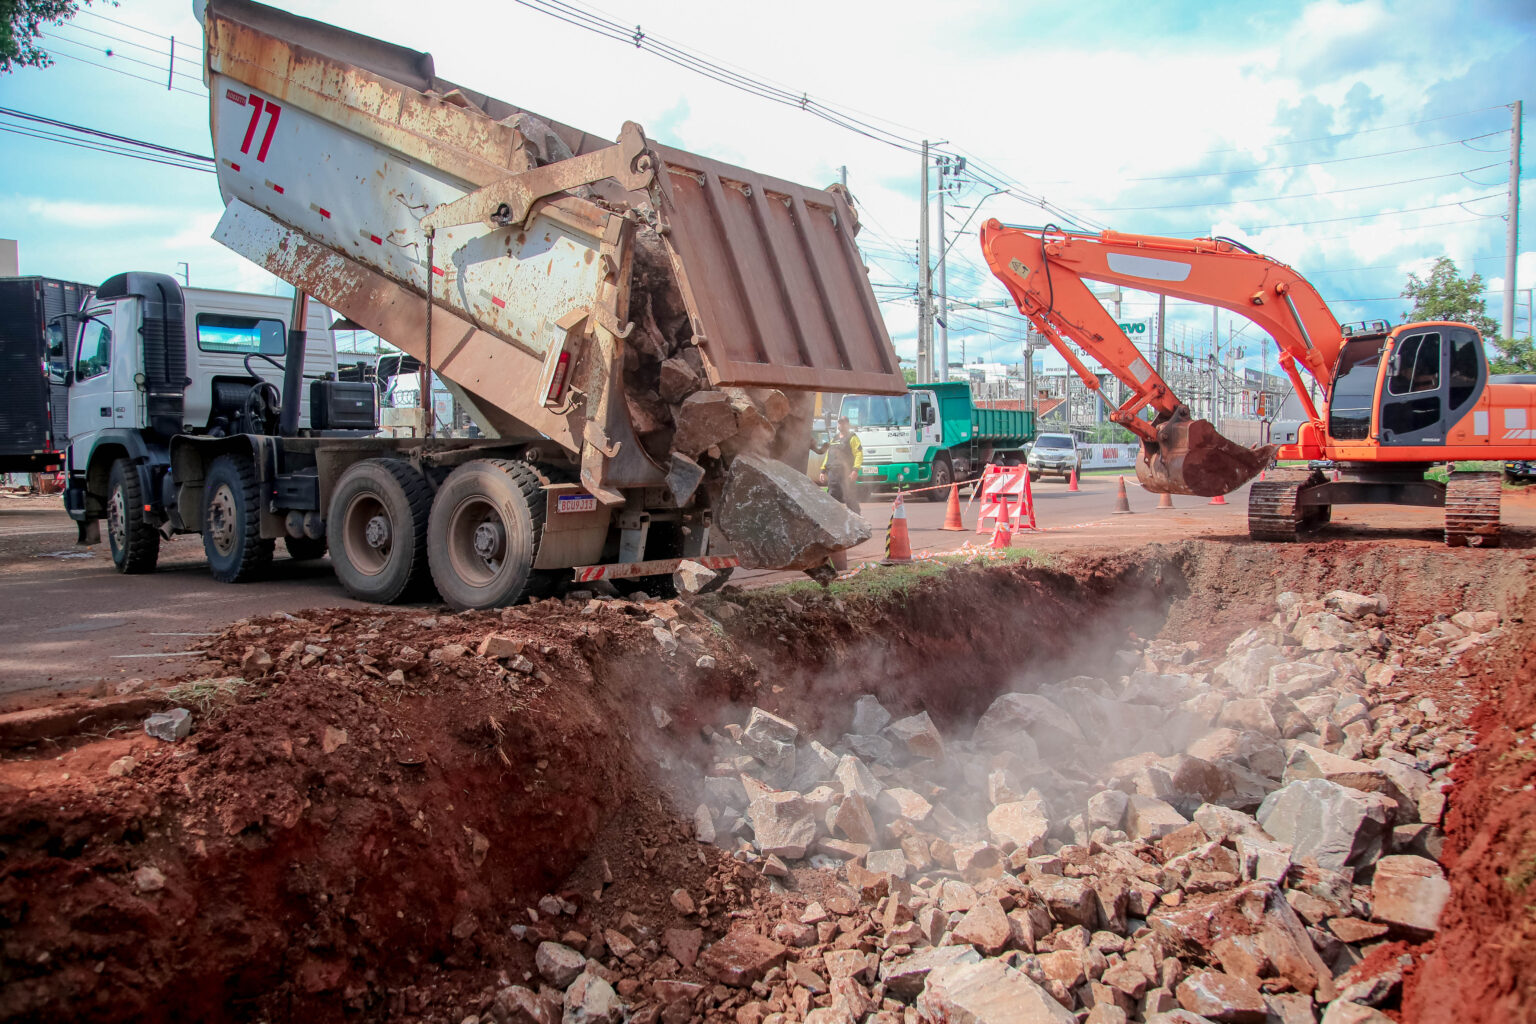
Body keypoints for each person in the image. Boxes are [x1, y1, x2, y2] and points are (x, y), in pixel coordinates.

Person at [815, 416, 863, 513]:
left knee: (849, 496)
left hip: (846, 473)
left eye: (843, 423)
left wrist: (855, 470)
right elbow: (829, 455)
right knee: (832, 497)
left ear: (848, 425)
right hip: (833, 473)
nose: (841, 425)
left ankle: (857, 520)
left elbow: (859, 454)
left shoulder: (852, 438)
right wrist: (822, 470)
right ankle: (832, 520)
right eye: (839, 423)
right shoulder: (834, 438)